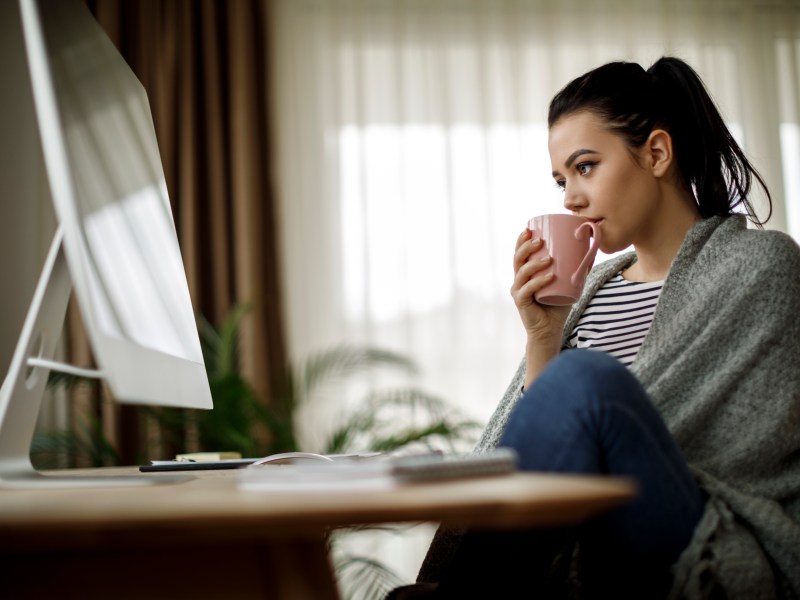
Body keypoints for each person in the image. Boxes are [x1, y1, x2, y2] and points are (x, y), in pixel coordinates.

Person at [387, 57, 800, 599]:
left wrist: (577, 380)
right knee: (575, 379)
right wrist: (543, 336)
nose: (569, 198)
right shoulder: (590, 291)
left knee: (583, 379)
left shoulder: (760, 265)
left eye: (585, 167)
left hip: (696, 529)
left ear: (656, 153)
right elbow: (539, 447)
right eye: (561, 179)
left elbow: (754, 449)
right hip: (573, 543)